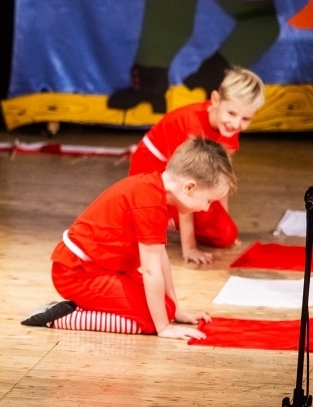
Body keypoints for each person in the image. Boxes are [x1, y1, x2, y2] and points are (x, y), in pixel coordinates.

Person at [22, 137, 236, 340]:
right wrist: (163, 328)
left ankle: (152, 313)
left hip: (99, 269)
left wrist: (176, 309)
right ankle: (62, 317)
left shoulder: (155, 192)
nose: (207, 208)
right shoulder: (149, 202)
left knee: (165, 307)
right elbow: (151, 270)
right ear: (189, 188)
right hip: (77, 274)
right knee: (150, 321)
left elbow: (161, 259)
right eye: (208, 201)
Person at [128, 66, 264, 264]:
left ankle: (166, 220)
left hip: (184, 179)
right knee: (190, 204)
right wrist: (189, 247)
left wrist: (224, 219)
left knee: (226, 234)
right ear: (216, 100)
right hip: (153, 177)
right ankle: (157, 217)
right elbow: (184, 188)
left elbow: (221, 177)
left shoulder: (228, 129)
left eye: (245, 119)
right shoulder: (191, 127)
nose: (236, 124)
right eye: (232, 113)